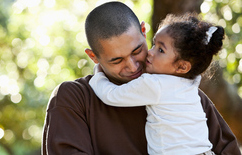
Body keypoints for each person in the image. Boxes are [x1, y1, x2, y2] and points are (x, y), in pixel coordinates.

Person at [42, 1, 241, 155]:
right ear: (93, 57)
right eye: (117, 60)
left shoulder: (182, 93)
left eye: (137, 50)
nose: (133, 65)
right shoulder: (74, 99)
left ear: (144, 32)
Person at [89, 13, 223, 154]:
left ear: (182, 67)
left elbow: (111, 95)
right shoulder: (191, 82)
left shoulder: (154, 84)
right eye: (154, 44)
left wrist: (98, 74)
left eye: (160, 50)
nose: (151, 53)